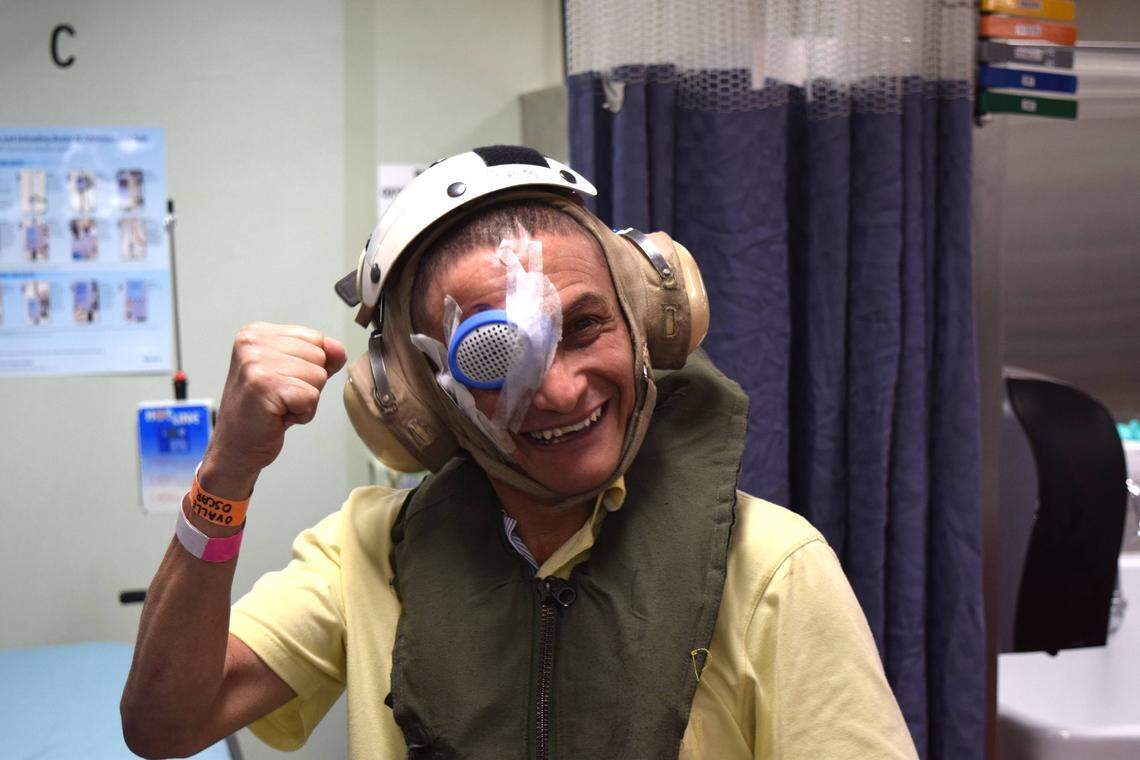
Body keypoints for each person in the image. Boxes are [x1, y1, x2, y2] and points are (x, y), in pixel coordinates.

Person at [122, 146, 918, 759]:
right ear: (417, 398)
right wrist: (226, 472)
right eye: (496, 357)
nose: (565, 391)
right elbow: (165, 722)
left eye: (585, 326)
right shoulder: (368, 557)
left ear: (650, 321)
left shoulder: (773, 571)